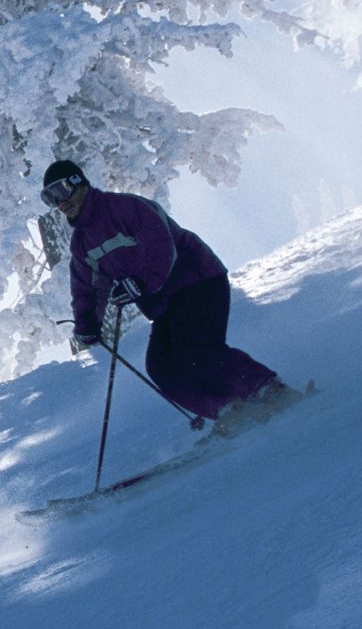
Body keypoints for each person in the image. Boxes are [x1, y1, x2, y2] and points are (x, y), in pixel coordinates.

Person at [41, 159, 293, 428]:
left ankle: (270, 390)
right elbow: (86, 288)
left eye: (61, 191)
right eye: (50, 198)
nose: (60, 203)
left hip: (197, 280)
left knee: (197, 351)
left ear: (79, 183)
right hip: (163, 304)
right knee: (162, 369)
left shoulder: (124, 208)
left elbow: (161, 245)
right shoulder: (81, 243)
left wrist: (141, 282)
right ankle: (230, 410)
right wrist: (88, 323)